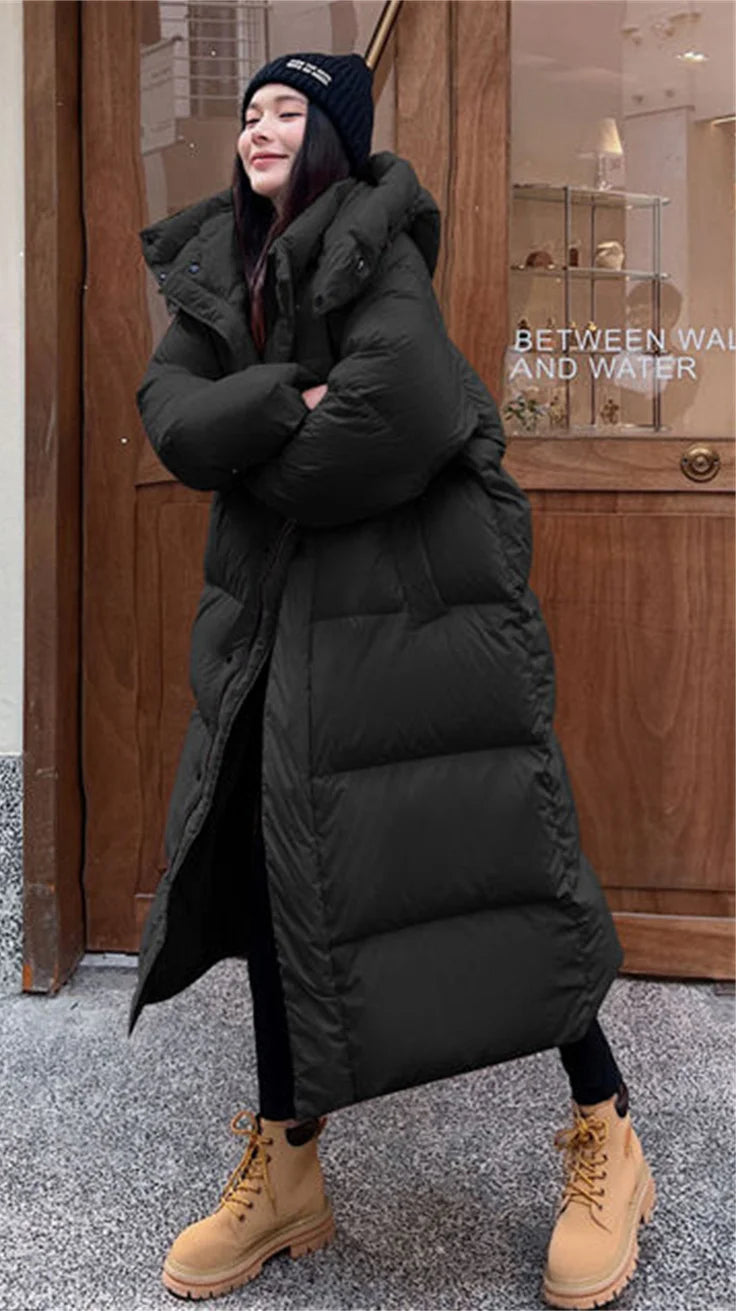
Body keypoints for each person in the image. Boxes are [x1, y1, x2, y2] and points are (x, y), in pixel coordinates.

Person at [129, 50, 656, 1309]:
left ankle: (608, 1133)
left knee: (491, 873)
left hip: (413, 626)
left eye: (288, 110)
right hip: (274, 630)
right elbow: (170, 415)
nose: (260, 126)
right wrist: (277, 402)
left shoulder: (377, 242)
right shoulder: (218, 267)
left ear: (330, 138)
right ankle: (288, 1165)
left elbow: (400, 412)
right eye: (249, 110)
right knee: (264, 880)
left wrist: (253, 447)